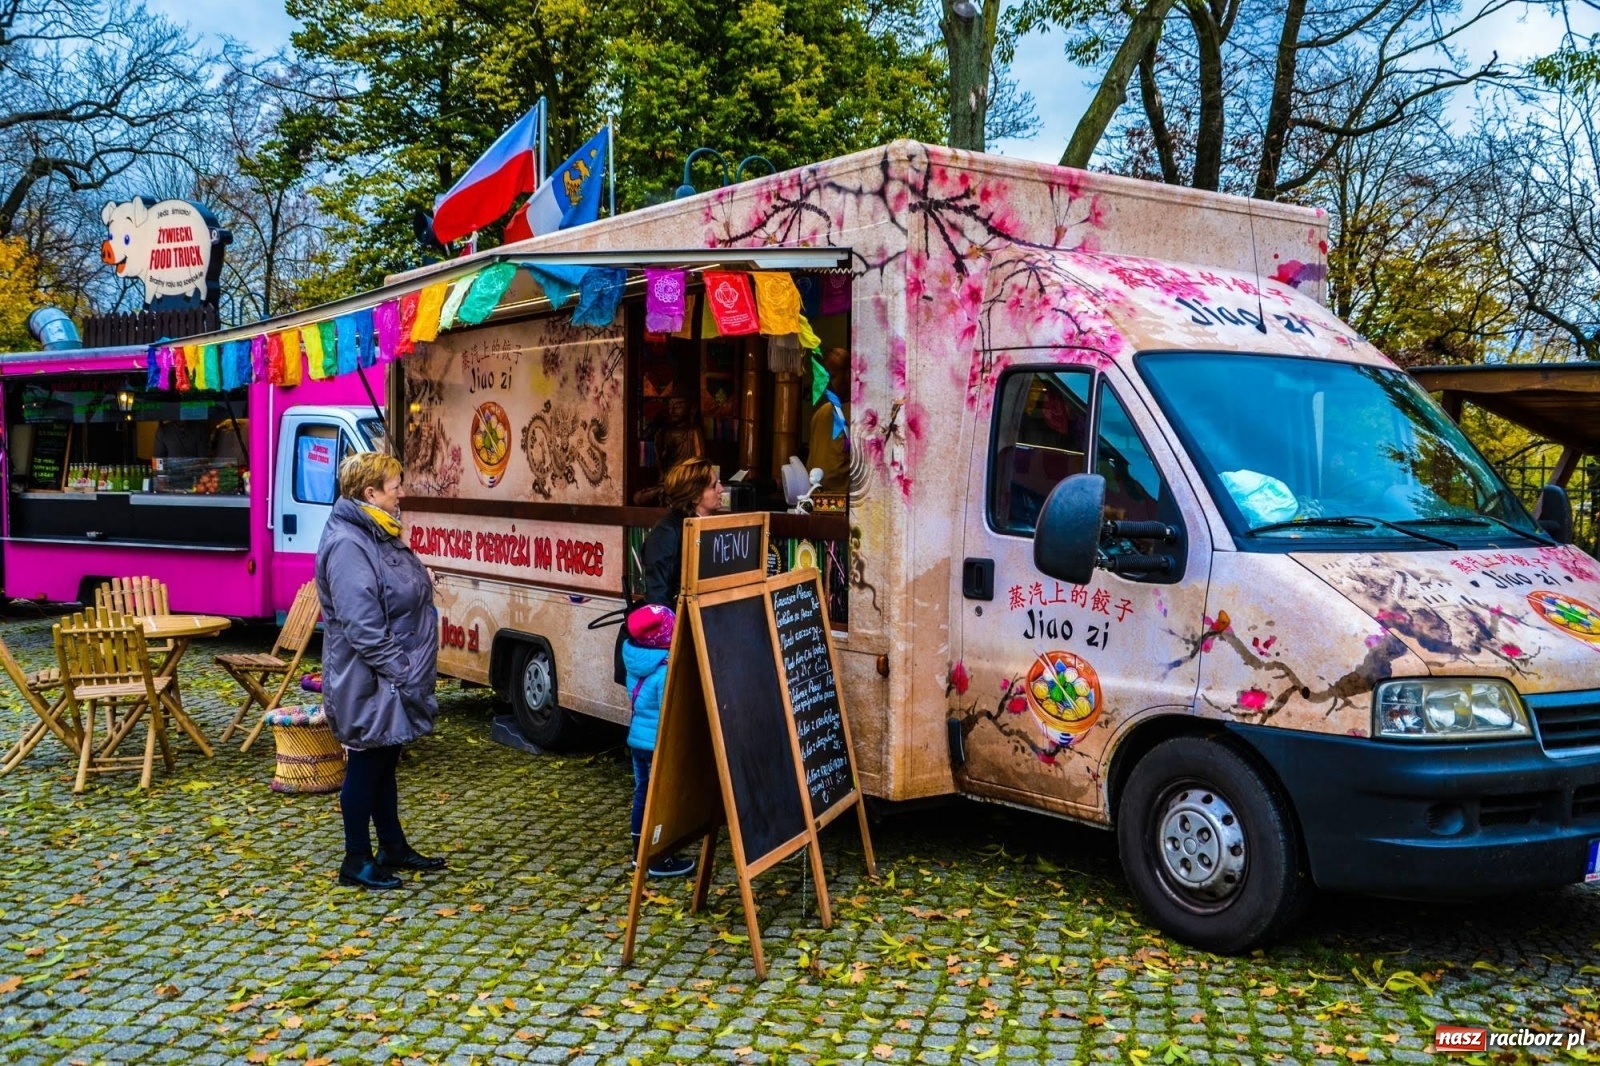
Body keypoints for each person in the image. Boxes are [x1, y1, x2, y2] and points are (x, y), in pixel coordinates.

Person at [316, 452, 444, 890]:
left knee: (385, 759)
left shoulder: (377, 532)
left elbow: (389, 590)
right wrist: (404, 669)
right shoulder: (350, 543)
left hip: (387, 674)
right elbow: (362, 626)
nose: (402, 493)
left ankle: (392, 845)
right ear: (369, 493)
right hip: (369, 676)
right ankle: (355, 859)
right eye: (395, 486)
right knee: (367, 764)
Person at [620, 604, 696, 878]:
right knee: (660, 799)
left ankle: (639, 850)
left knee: (643, 793)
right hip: (657, 745)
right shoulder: (664, 669)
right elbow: (671, 709)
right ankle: (657, 857)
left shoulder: (635, 657)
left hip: (638, 741)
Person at [642, 457, 722, 607]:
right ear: (695, 495)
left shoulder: (707, 525)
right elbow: (658, 598)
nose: (721, 489)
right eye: (713, 486)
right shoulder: (667, 532)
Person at [805, 347, 850, 493]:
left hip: (847, 504)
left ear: (849, 375)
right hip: (815, 498)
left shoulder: (860, 414)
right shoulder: (820, 414)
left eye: (831, 378)